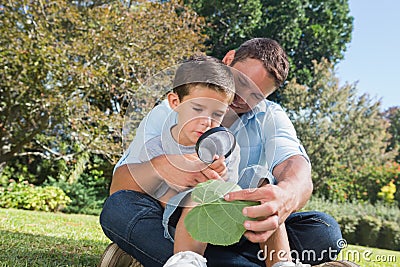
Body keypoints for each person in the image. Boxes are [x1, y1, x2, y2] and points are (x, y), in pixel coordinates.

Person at [100, 38, 343, 267]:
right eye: (242, 83)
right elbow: (120, 188)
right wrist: (161, 167)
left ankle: (154, 257)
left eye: (256, 96)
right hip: (176, 225)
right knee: (119, 209)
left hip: (239, 226)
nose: (240, 100)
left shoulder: (269, 116)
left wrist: (285, 195)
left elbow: (295, 165)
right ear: (228, 60)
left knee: (324, 230)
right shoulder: (172, 108)